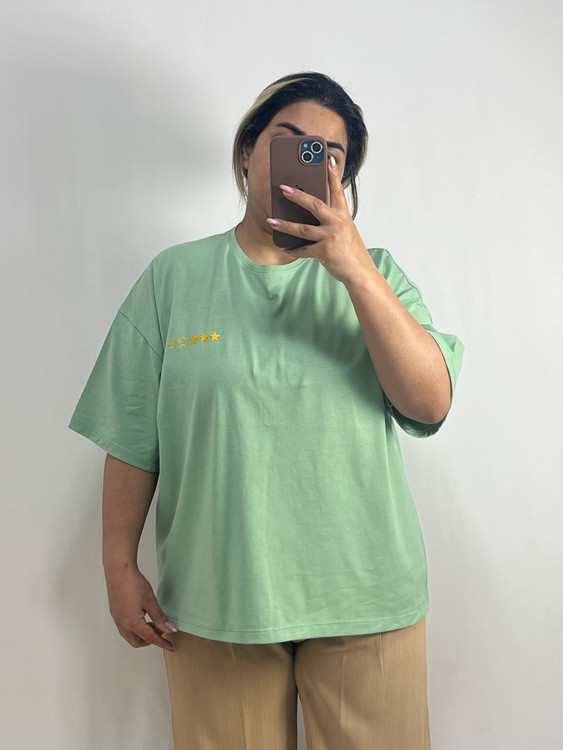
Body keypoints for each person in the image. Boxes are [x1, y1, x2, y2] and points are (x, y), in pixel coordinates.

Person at [69, 72, 464, 750]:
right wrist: (117, 565)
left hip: (365, 594)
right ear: (249, 150)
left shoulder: (377, 276)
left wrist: (353, 269)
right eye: (292, 140)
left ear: (343, 180)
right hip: (218, 598)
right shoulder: (174, 279)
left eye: (330, 154)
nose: (311, 160)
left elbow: (429, 402)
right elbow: (132, 432)